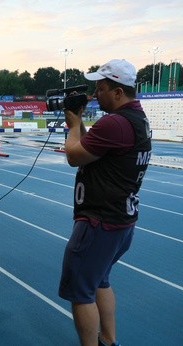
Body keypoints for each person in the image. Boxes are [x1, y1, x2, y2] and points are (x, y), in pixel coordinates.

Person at [58, 59, 152, 346]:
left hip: (100, 222)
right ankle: (108, 341)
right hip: (121, 220)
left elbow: (74, 155)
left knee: (80, 292)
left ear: (118, 92)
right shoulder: (136, 119)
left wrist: (74, 125)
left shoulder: (115, 123)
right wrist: (81, 125)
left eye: (100, 88)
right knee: (100, 281)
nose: (94, 94)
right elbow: (92, 150)